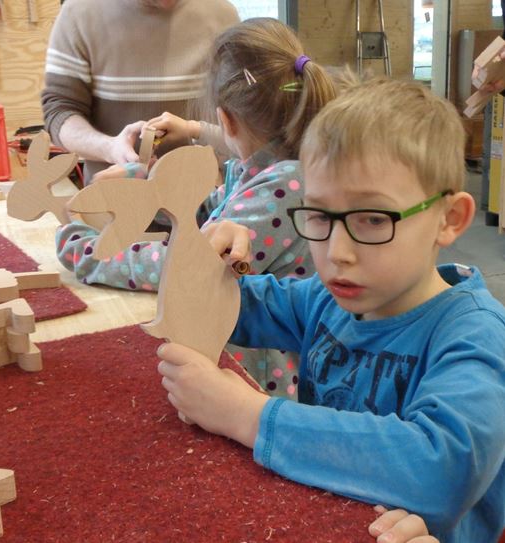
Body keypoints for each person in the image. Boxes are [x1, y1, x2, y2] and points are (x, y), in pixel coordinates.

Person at [157, 76, 505, 543]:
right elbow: (218, 305)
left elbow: (439, 471)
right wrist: (206, 258)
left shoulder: (475, 336)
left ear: (449, 219)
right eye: (320, 216)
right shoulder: (325, 298)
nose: (337, 252)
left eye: (373, 219)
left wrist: (246, 415)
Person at [56, 17, 338, 398]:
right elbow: (204, 210)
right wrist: (147, 187)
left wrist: (88, 253)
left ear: (225, 120)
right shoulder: (262, 169)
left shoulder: (283, 185)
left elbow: (184, 267)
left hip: (258, 382)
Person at [41, 0, 240, 184]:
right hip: (113, 201)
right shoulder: (79, 14)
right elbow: (60, 112)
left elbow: (243, 119)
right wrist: (110, 147)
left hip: (207, 202)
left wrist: (195, 131)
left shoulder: (223, 15)